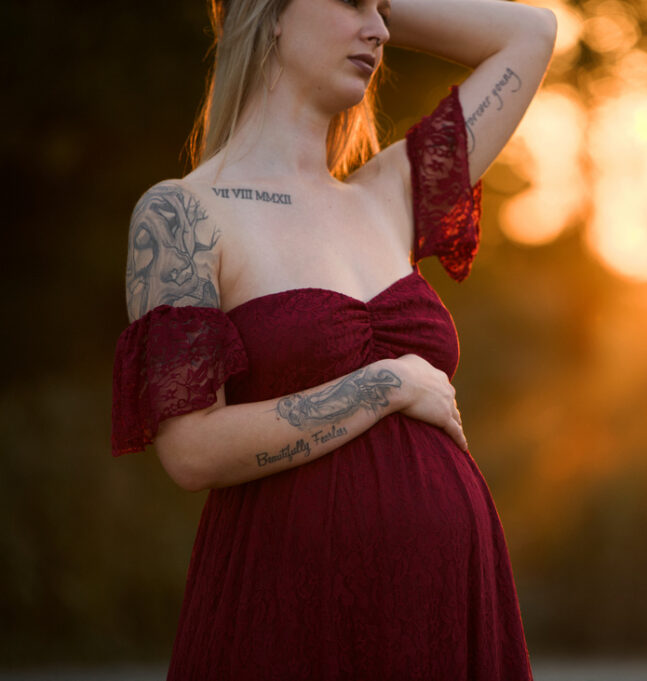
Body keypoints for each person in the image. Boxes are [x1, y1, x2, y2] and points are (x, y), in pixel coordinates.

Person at [110, 0, 556, 677]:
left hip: (446, 604)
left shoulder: (391, 193)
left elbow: (530, 33)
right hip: (292, 609)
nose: (379, 29)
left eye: (383, 9)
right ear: (271, 14)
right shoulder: (184, 214)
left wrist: (374, 4)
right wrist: (386, 384)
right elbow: (192, 450)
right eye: (353, 3)